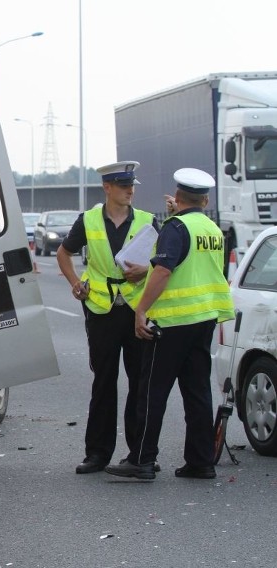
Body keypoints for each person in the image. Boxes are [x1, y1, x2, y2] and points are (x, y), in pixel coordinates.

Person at [105, 168, 235, 480]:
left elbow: (164, 271)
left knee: (152, 392)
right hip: (204, 319)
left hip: (172, 322)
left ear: (176, 197)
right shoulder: (212, 229)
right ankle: (201, 461)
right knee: (198, 392)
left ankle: (142, 459)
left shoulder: (176, 228)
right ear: (205, 200)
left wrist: (141, 311)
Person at [57, 160, 160, 474]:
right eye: (124, 185)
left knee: (140, 382)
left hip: (136, 309)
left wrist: (147, 268)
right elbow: (64, 253)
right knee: (104, 381)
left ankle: (139, 455)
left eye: (132, 186)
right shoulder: (88, 220)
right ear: (107, 187)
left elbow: (166, 262)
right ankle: (97, 454)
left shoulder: (148, 220)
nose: (130, 191)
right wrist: (76, 284)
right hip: (101, 309)